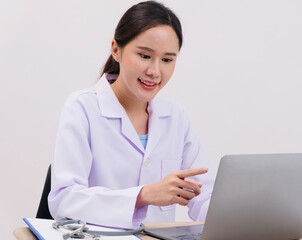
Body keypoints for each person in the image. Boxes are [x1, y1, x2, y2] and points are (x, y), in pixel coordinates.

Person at [48, 0, 215, 229]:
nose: (155, 71)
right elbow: (64, 201)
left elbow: (204, 195)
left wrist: (242, 219)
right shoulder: (81, 109)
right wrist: (143, 195)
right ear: (116, 50)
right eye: (145, 56)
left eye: (167, 60)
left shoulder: (176, 117)